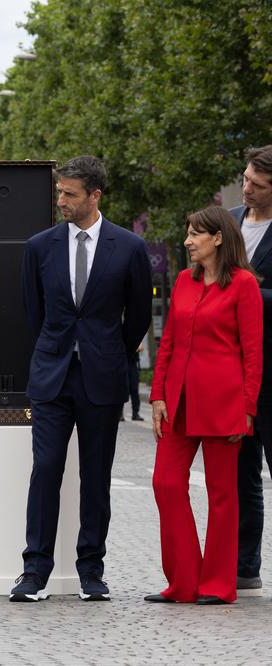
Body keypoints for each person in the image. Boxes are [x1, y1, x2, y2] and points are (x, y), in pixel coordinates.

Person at [12, 155, 152, 602]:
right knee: (46, 469)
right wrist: (59, 348)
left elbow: (139, 319)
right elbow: (34, 312)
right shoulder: (38, 246)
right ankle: (34, 572)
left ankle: (92, 571)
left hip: (102, 377)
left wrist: (106, 347)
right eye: (59, 192)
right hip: (52, 376)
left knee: (96, 476)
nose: (61, 201)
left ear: (95, 195)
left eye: (70, 193)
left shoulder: (129, 248)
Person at [146, 207, 263, 604]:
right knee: (165, 482)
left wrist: (247, 409)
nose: (187, 241)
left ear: (217, 238)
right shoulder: (182, 281)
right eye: (187, 233)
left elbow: (253, 353)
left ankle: (217, 584)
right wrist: (158, 395)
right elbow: (169, 344)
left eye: (195, 234)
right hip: (177, 402)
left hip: (223, 403)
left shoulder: (245, 285)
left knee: (222, 494)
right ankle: (183, 580)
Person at [231, 145, 272, 597]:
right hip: (232, 373)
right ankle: (245, 568)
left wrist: (249, 293)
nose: (246, 189)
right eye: (245, 179)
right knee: (242, 477)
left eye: (257, 186)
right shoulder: (232, 222)